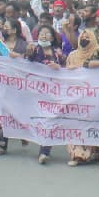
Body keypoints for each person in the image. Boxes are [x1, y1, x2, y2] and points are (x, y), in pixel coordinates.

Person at [65, 28, 99, 166]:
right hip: (76, 97)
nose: (84, 38)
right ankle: (78, 155)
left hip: (95, 98)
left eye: (88, 36)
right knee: (76, 126)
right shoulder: (72, 55)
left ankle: (97, 153)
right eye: (83, 35)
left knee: (96, 127)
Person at [26, 24, 65, 164]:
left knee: (49, 121)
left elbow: (66, 70)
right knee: (39, 120)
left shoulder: (58, 52)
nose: (43, 35)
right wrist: (29, 53)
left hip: (53, 94)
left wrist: (58, 67)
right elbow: (26, 62)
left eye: (47, 33)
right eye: (41, 33)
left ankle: (44, 151)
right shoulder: (34, 49)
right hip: (36, 92)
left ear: (53, 37)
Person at [0, 18, 29, 157]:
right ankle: (2, 144)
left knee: (18, 112)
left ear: (15, 29)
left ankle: (23, 134)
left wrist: (18, 57)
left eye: (7, 27)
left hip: (18, 86)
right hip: (1, 85)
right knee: (0, 113)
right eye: (4, 27)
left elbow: (30, 64)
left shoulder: (24, 45)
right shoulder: (0, 45)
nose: (4, 29)